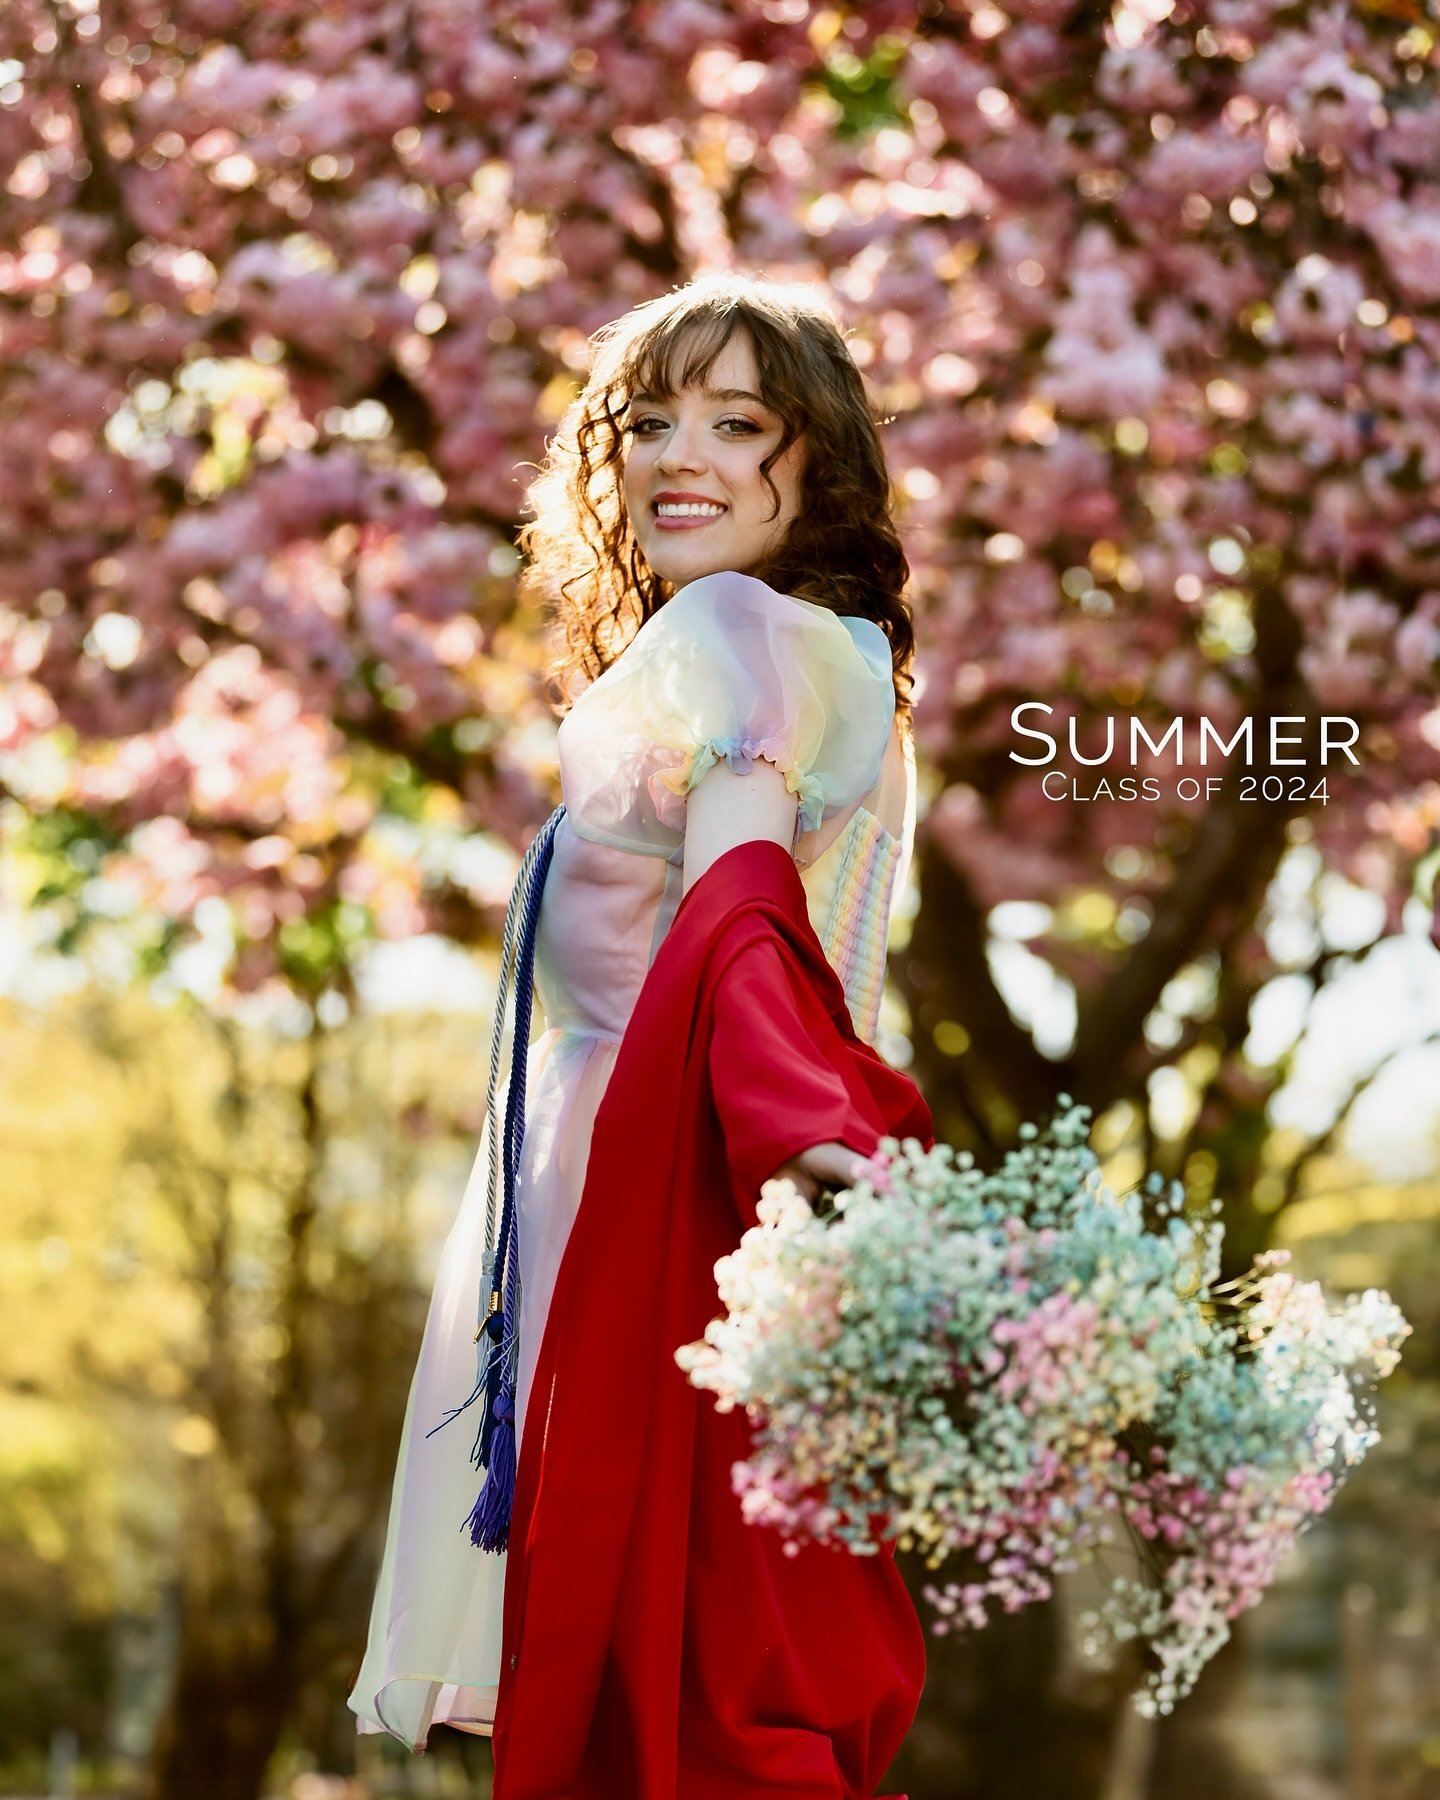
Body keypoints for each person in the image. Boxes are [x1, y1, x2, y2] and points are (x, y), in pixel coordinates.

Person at [348, 272, 934, 1797]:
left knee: (679, 1693)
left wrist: (793, 1123)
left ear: (817, 470)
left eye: (738, 423)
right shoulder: (807, 654)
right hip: (656, 1175)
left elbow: (741, 907)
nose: (679, 455)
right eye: (647, 421)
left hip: (666, 1190)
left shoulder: (741, 636)